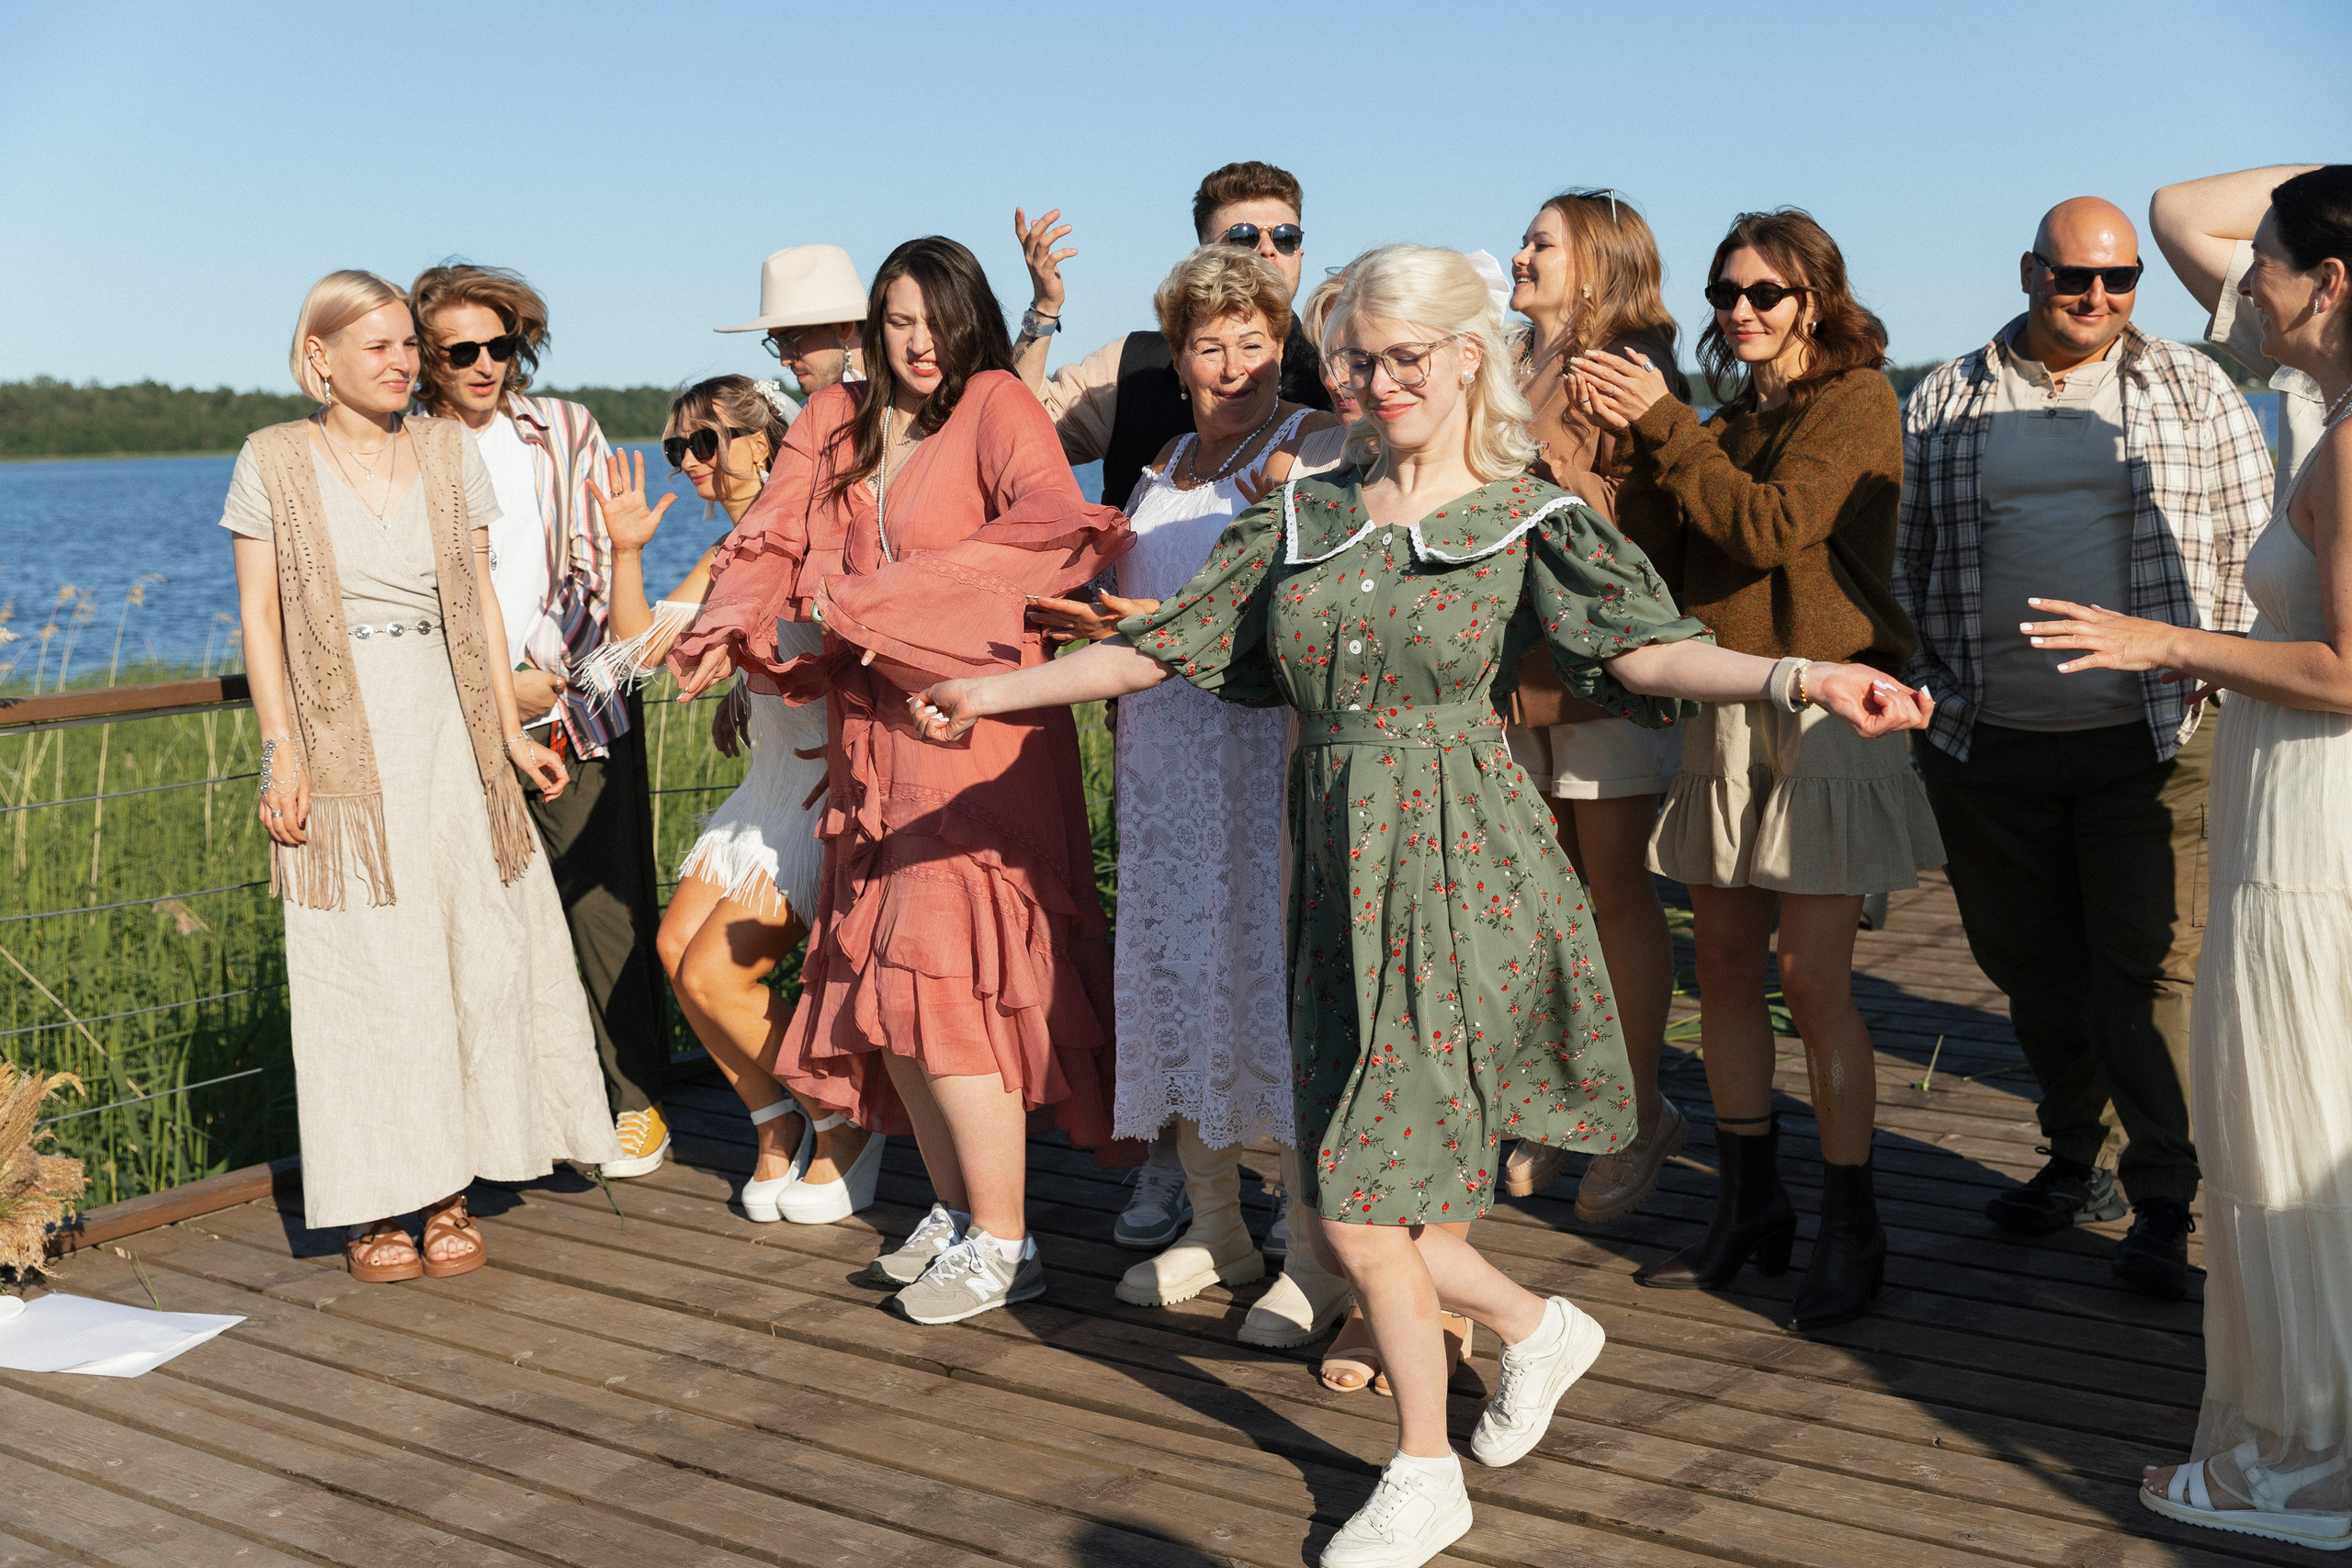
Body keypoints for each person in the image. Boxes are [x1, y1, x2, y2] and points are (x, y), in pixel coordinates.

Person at [908, 243, 1931, 1568]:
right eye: (1349, 357)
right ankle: (1536, 1328)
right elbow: (1161, 644)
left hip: (1463, 862)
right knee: (1353, 1179)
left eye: (1401, 356)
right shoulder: (1304, 515)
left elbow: (1645, 645)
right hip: (1332, 862)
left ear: (1465, 360)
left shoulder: (1525, 514)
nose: (1373, 381)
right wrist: (992, 692)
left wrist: (1798, 677)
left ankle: (1424, 1464)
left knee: (1355, 1196)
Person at [670, 236, 1132, 1325]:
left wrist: (879, 601)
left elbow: (1045, 531)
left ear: (969, 318)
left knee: (949, 980)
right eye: (896, 323)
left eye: (934, 321)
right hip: (874, 736)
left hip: (973, 736)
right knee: (887, 985)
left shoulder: (997, 407)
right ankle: (962, 1212)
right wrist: (725, 624)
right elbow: (773, 533)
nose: (917, 344)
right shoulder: (836, 418)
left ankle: (1008, 1239)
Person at [2006, 167, 2352, 1552]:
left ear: (2329, 281)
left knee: (2292, 1126)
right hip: (2300, 801)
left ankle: (2310, 1465)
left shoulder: (2345, 444)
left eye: (2268, 263)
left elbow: (2347, 667)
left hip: (2313, 831)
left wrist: (2170, 642)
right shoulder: (2330, 421)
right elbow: (2186, 203)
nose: (2244, 283)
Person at [1891, 199, 2272, 1299]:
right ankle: (2076, 1161)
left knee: (2152, 969)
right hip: (1985, 735)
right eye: (2072, 279)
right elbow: (1906, 560)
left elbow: (2256, 540)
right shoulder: (1949, 396)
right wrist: (1925, 681)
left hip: (2154, 736)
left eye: (2118, 281)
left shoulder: (2194, 386)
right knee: (2029, 966)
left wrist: (2226, 657)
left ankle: (2164, 1195)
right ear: (2028, 272)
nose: (2095, 300)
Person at [1575, 208, 1945, 1334]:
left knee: (1809, 975)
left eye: (1764, 294)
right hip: (1734, 702)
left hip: (1832, 707)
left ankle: (1851, 1220)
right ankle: (1747, 1207)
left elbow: (1775, 528)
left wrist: (1670, 431)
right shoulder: (1726, 422)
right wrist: (1639, 447)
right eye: (1725, 293)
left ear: (1814, 302)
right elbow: (1669, 560)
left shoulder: (1857, 402)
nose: (1738, 311)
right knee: (1725, 966)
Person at [222, 270, 618, 1281]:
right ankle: (374, 1205)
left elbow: (478, 612)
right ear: (319, 357)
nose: (405, 363)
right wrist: (282, 752)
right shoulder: (272, 459)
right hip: (346, 742)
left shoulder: (447, 452)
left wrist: (508, 734)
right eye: (381, 348)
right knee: (362, 977)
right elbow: (260, 622)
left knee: (469, 961)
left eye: (411, 347)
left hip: (452, 736)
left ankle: (450, 1188)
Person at [1025, 245, 1351, 1348]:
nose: (1234, 365)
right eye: (1209, 346)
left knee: (1279, 987)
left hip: (1262, 758)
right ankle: (1217, 1223)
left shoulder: (1312, 442)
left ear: (1280, 343)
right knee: (1177, 971)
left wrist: (1291, 505)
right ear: (1178, 354)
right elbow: (1143, 603)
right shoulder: (1160, 453)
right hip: (1163, 763)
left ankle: (1312, 1251)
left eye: (1254, 342)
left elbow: (1318, 578)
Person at [578, 376, 872, 1224]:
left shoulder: (816, 523)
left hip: (822, 783)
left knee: (717, 968)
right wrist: (626, 551)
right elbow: (639, 653)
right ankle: (776, 1121)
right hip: (768, 782)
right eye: (678, 449)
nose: (691, 464)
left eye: (705, 442)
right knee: (676, 948)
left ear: (760, 440)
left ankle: (844, 1116)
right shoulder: (733, 548)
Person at [408, 263, 673, 1181]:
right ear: (427, 359)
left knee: (602, 912)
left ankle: (633, 1105)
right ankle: (507, 1119)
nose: (485, 365)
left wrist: (538, 679)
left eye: (501, 345)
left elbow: (596, 567)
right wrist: (487, 690)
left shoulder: (565, 430)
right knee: (479, 927)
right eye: (461, 351)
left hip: (574, 709)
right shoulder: (408, 448)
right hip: (459, 722)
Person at [1497, 189, 1694, 1225]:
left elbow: (1636, 515)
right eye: (1523, 239)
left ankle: (1633, 1110)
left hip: (1595, 670)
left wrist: (1524, 467)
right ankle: (1565, 1094)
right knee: (1547, 899)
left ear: (1598, 262)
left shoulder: (1622, 364)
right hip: (1514, 671)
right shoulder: (1517, 359)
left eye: (1542, 243)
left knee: (1613, 895)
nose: (1519, 254)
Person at [1012, 160, 1335, 513]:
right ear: (1202, 254)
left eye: (1285, 236)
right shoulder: (1129, 365)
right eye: (1244, 236)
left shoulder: (1341, 379)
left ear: (1300, 252)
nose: (1267, 249)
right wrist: (1043, 308)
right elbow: (1024, 433)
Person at [2153, 165, 2330, 499]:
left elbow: (2177, 213)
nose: (2244, 285)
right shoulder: (2305, 346)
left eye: (2261, 262)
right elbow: (2175, 213)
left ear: (2325, 282)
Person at [715, 243, 869, 395]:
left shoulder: (892, 404)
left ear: (844, 327)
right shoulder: (805, 414)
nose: (785, 360)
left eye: (791, 340)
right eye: (778, 342)